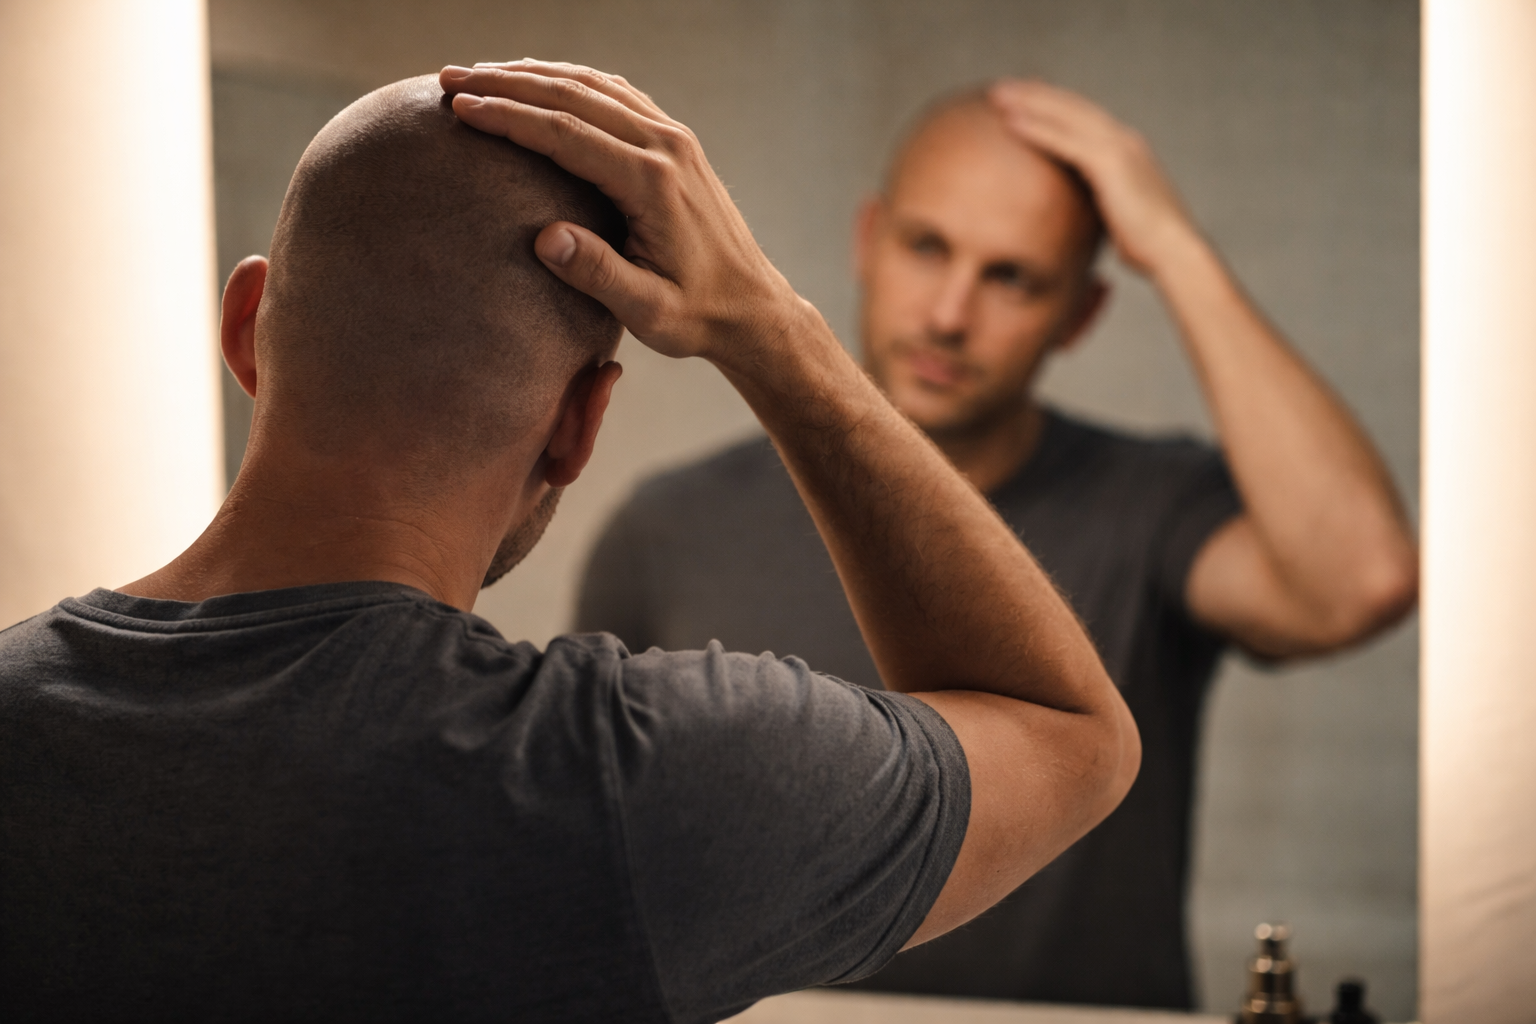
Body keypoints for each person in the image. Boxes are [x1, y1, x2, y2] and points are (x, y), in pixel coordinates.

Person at [0, 68, 1140, 1024]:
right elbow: (1070, 735)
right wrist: (773, 334)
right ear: (579, 422)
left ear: (248, 327)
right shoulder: (626, 779)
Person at [577, 82, 1419, 1009]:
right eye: (927, 246)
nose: (949, 313)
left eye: (1013, 277)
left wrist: (1174, 249)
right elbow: (591, 866)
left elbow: (1359, 582)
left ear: (1082, 314)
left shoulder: (1152, 505)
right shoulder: (669, 526)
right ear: (869, 239)